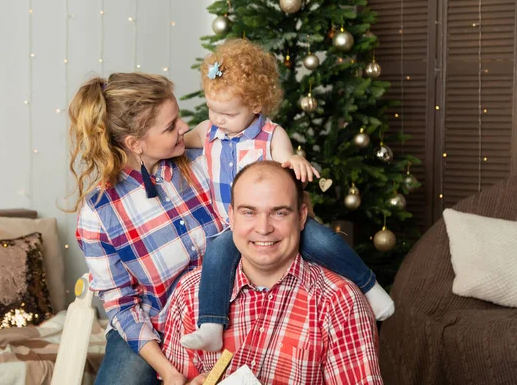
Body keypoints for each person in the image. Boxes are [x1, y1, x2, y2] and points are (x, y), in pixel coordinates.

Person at [181, 38, 394, 352]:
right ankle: (211, 325)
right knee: (216, 258)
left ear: (255, 105)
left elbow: (285, 160)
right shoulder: (207, 130)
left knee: (325, 241)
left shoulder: (271, 134)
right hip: (232, 224)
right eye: (212, 109)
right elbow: (178, 144)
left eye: (227, 113)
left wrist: (294, 160)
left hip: (275, 219)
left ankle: (371, 287)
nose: (218, 119)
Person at [162, 161, 383, 384]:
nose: (264, 228)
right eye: (249, 212)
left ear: (302, 216)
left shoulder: (340, 302)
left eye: (279, 212)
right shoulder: (190, 293)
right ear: (232, 216)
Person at [69, 73, 221, 385]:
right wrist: (168, 370)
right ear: (135, 144)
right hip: (153, 329)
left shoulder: (204, 161)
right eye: (170, 126)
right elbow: (122, 305)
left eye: (178, 117)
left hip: (222, 314)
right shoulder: (98, 213)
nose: (184, 127)